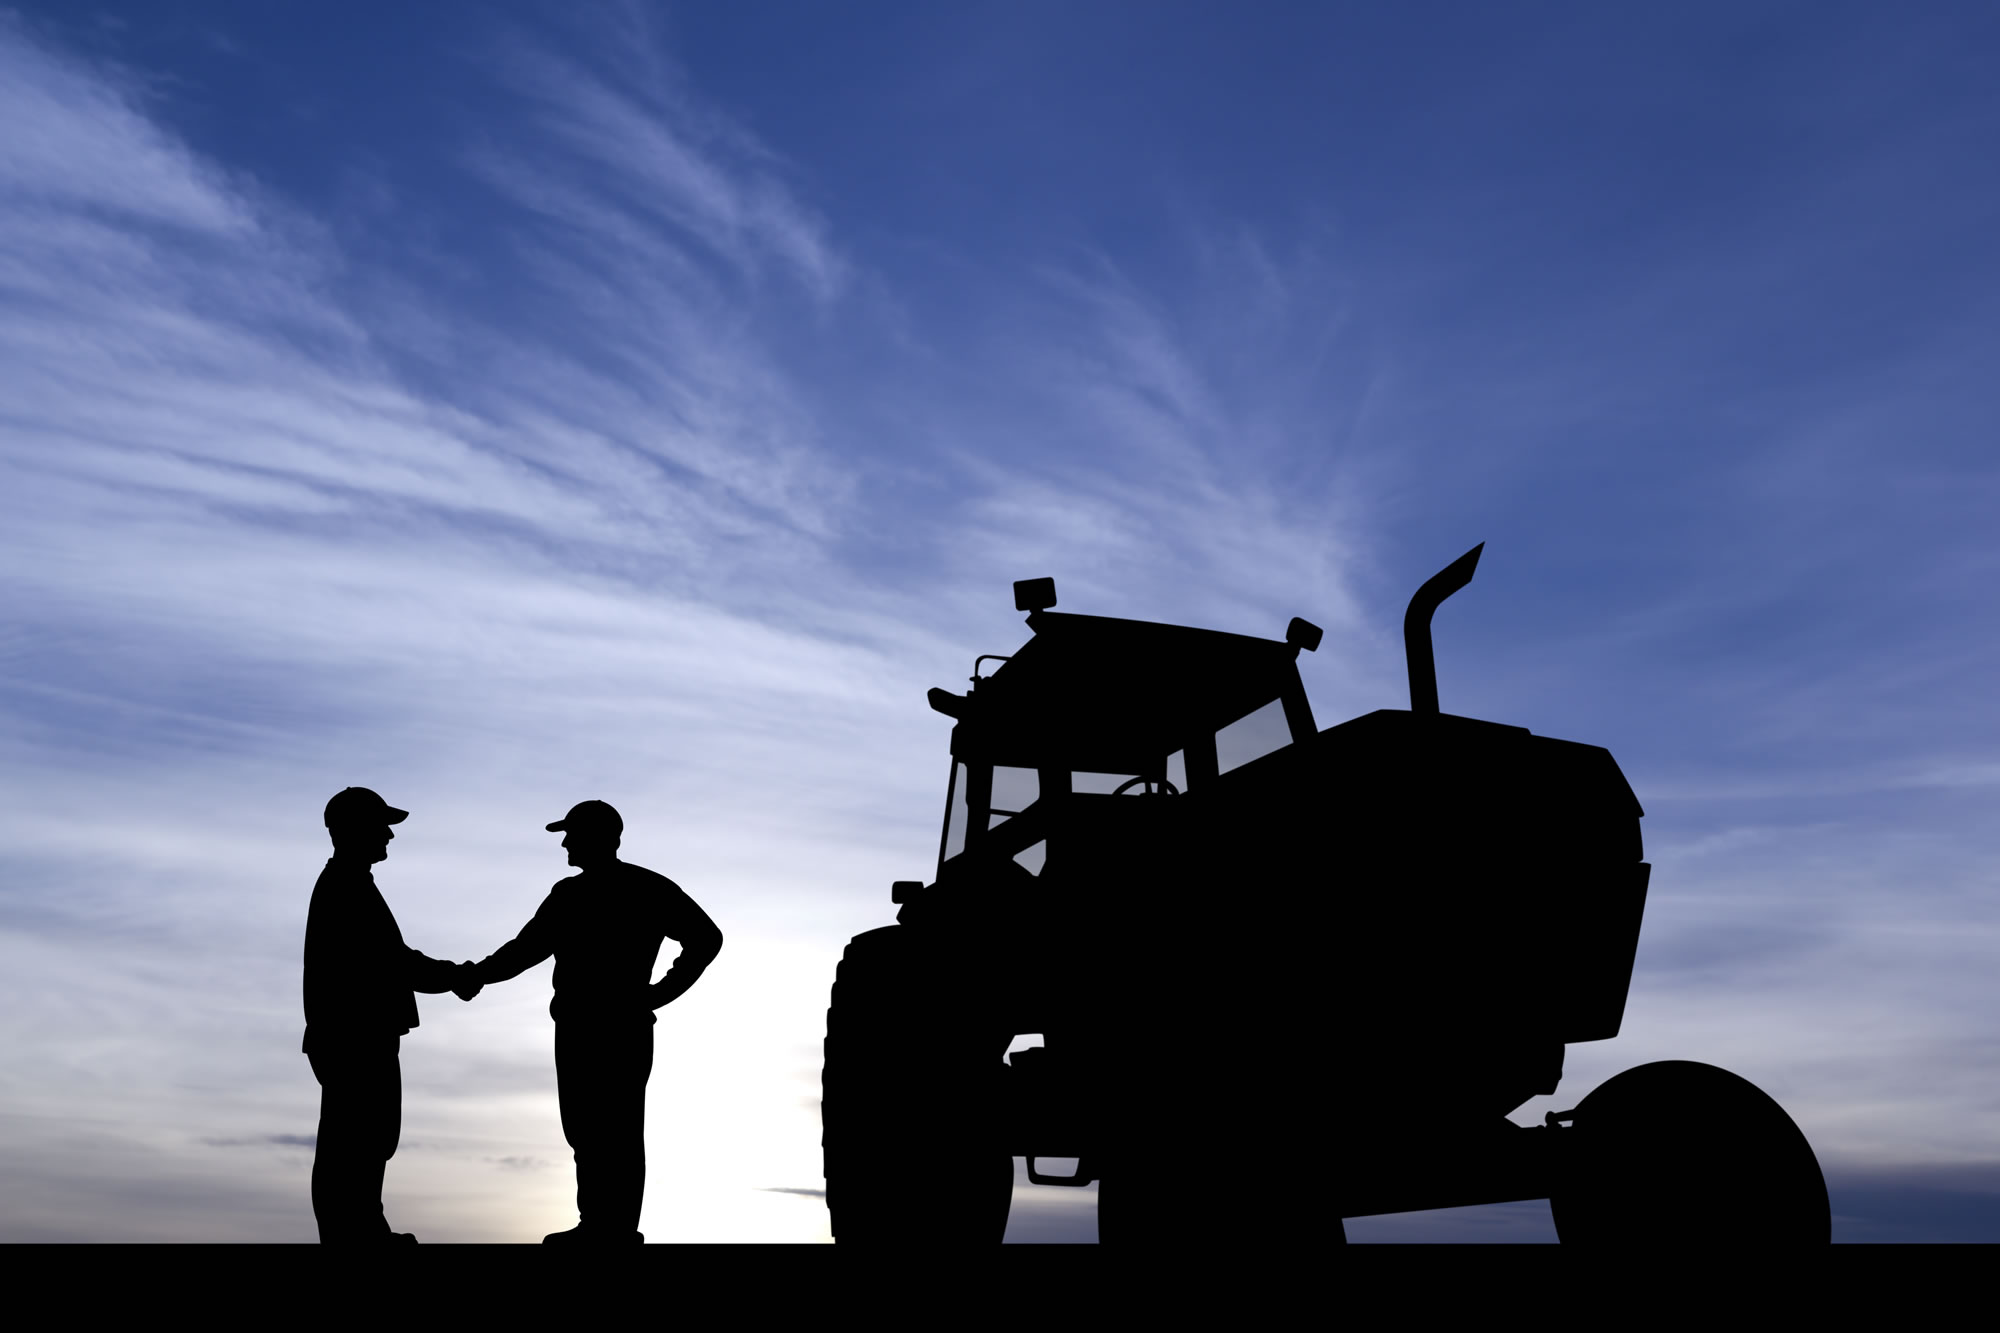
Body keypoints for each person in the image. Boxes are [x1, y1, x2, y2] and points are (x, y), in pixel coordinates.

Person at [461, 800, 722, 1243]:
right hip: (586, 1028)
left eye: (572, 834)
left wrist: (660, 992)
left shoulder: (621, 890)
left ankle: (613, 1229)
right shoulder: (582, 893)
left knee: (613, 1128)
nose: (564, 842)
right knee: (587, 1128)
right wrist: (477, 974)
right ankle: (598, 1224)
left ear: (600, 837)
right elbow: (525, 949)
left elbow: (706, 939)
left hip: (613, 1028)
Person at [304, 786, 481, 1244]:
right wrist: (457, 976)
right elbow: (395, 962)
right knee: (356, 1140)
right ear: (354, 829)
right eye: (381, 825)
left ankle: (364, 1227)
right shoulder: (346, 887)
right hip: (356, 1037)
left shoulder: (351, 884)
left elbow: (394, 960)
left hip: (360, 1034)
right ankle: (356, 1235)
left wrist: (452, 975)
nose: (388, 835)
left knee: (368, 1138)